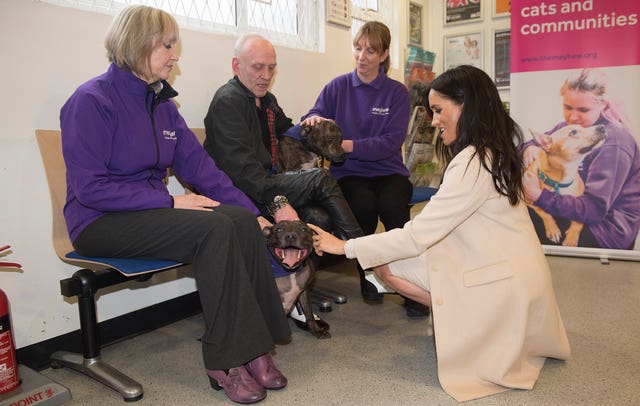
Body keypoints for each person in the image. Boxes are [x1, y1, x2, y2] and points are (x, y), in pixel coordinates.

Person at [60, 6, 291, 404]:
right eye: (167, 45)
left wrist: (256, 215)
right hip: (98, 220)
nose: (174, 55)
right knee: (214, 228)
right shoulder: (91, 101)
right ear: (138, 45)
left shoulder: (163, 105)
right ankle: (226, 360)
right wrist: (169, 200)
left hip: (150, 212)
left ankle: (257, 346)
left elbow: (204, 170)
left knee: (236, 219)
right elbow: (90, 189)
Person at [308, 65, 571, 402]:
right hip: (515, 274)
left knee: (385, 266)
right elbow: (430, 229)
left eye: (438, 110)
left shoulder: (473, 162)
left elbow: (416, 235)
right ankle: (467, 319)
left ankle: (470, 325)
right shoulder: (495, 151)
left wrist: (344, 246)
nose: (433, 121)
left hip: (504, 284)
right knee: (393, 259)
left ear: (466, 105)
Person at [203, 35, 366, 310]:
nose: (265, 75)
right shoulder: (227, 103)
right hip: (241, 192)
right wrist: (279, 202)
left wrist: (309, 123)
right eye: (258, 67)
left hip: (265, 183)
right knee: (322, 178)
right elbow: (244, 174)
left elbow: (286, 130)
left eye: (271, 67)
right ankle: (366, 256)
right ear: (236, 65)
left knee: (318, 217)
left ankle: (296, 286)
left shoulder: (266, 100)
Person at [295, 21, 427, 317]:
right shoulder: (337, 86)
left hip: (389, 171)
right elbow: (314, 113)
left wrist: (346, 146)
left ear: (383, 55)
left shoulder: (395, 93)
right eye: (358, 48)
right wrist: (314, 119)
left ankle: (411, 289)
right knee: (363, 208)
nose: (362, 56)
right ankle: (370, 275)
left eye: (371, 50)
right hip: (350, 173)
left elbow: (390, 142)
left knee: (395, 211)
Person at [521, 68, 640, 249]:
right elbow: (534, 143)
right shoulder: (572, 126)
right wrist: (529, 148)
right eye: (567, 107)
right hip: (575, 212)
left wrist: (539, 196)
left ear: (603, 105)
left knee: (516, 223)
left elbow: (593, 210)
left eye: (583, 110)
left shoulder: (614, 142)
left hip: (604, 231)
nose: (573, 117)